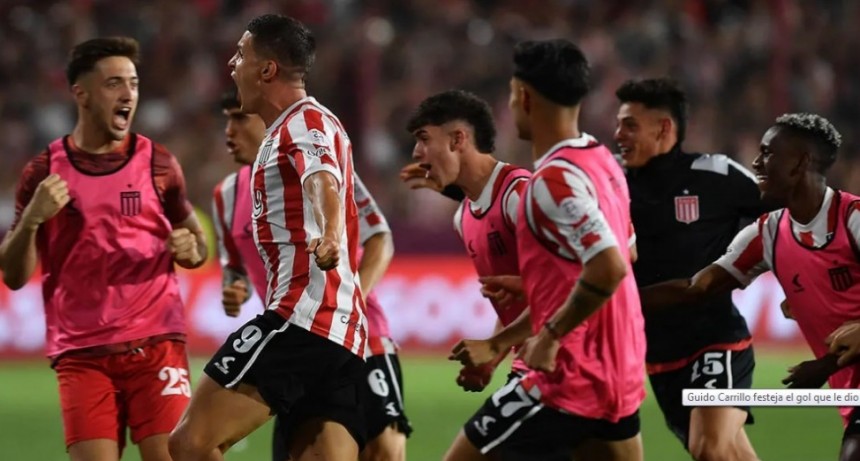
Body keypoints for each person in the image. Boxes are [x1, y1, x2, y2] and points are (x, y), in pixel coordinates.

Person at [168, 14, 367, 461]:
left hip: (304, 319)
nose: (232, 64)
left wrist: (330, 234)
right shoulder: (294, 130)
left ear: (267, 70)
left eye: (241, 54)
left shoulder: (304, 123)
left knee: (189, 443)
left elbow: (323, 182)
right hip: (341, 336)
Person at [0, 37, 207, 461]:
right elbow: (13, 275)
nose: (128, 93)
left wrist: (191, 247)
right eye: (114, 83)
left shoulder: (159, 163)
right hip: (82, 354)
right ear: (81, 93)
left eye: (132, 83)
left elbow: (195, 244)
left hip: (156, 344)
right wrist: (34, 219)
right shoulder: (43, 172)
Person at [445, 39, 646, 461]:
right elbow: (625, 256)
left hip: (568, 378)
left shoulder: (551, 183)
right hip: (619, 371)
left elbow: (608, 268)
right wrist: (503, 341)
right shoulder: (604, 163)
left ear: (523, 96)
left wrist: (550, 334)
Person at [639, 113, 860, 461]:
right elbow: (697, 288)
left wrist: (829, 362)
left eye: (768, 153)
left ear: (800, 162)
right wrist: (610, 299)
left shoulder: (854, 220)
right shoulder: (766, 234)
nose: (756, 163)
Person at [212, 90, 411, 461]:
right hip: (297, 335)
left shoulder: (319, 160)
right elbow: (232, 265)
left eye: (239, 117)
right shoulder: (226, 195)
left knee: (384, 450)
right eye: (225, 119)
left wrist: (353, 299)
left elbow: (379, 236)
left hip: (361, 331)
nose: (229, 129)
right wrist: (232, 285)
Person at [615, 78, 764, 460]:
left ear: (664, 128)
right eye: (619, 124)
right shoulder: (609, 182)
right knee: (724, 453)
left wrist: (805, 282)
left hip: (715, 339)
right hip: (659, 356)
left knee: (709, 446)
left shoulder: (715, 175)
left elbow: (787, 217)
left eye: (630, 124)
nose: (619, 134)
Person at [400, 89, 533, 390]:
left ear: (458, 140)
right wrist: (491, 359)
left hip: (569, 362)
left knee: (475, 439)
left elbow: (560, 290)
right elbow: (514, 303)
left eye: (424, 139)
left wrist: (494, 346)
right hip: (531, 363)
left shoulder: (520, 196)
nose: (416, 153)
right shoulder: (464, 219)